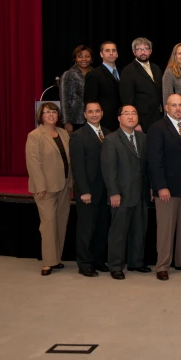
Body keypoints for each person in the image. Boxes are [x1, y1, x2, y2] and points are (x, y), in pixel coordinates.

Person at [147, 94, 181, 281]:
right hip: (167, 188)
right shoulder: (157, 128)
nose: (178, 108)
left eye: (180, 105)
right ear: (166, 107)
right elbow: (155, 161)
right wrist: (160, 187)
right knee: (165, 227)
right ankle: (162, 265)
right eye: (174, 105)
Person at [101, 105, 151, 280]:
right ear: (119, 118)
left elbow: (146, 168)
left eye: (134, 113)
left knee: (139, 229)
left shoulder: (143, 138)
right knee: (119, 232)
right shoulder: (111, 140)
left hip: (141, 192)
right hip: (121, 194)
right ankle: (115, 265)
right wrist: (113, 192)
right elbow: (109, 170)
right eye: (126, 113)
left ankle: (136, 262)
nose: (131, 116)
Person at [25, 102, 72, 276]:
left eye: (54, 112)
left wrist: (71, 182)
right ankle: (48, 262)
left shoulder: (63, 133)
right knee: (48, 225)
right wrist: (40, 187)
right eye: (47, 112)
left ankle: (56, 258)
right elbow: (33, 163)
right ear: (41, 116)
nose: (51, 115)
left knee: (61, 223)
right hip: (46, 188)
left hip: (64, 185)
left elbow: (69, 160)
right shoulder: (35, 135)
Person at [69, 101, 110, 277]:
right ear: (85, 115)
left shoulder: (108, 134)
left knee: (102, 227)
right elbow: (77, 167)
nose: (94, 114)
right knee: (87, 228)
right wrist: (84, 190)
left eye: (97, 111)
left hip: (105, 190)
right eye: (90, 112)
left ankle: (98, 260)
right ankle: (84, 263)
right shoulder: (78, 136)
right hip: (88, 191)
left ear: (102, 113)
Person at [119, 37, 164, 133]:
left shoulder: (156, 68)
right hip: (141, 120)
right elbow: (127, 99)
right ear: (134, 52)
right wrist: (135, 122)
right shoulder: (128, 71)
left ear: (150, 51)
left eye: (146, 49)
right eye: (139, 49)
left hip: (158, 116)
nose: (143, 52)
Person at [84, 41, 121, 131]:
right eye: (107, 51)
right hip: (104, 121)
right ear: (101, 54)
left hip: (121, 120)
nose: (111, 53)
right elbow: (90, 100)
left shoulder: (124, 72)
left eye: (114, 50)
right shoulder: (94, 74)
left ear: (117, 54)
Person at [60, 45, 93, 133]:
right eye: (80, 56)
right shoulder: (68, 74)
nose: (84, 59)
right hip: (76, 120)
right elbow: (64, 99)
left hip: (94, 118)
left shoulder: (96, 73)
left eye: (87, 56)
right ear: (75, 58)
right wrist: (67, 122)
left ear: (91, 58)